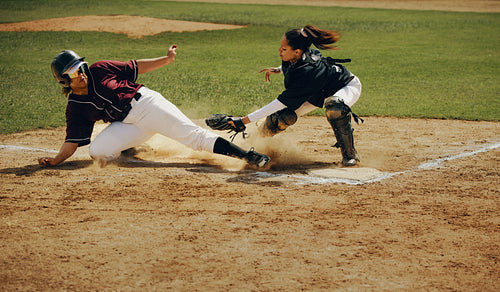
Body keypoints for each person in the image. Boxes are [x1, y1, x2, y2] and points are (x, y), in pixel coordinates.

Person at [38, 46, 270, 168]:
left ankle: (249, 156)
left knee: (195, 138)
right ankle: (132, 148)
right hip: (130, 124)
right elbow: (72, 142)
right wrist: (56, 160)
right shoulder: (76, 107)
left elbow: (136, 66)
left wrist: (166, 59)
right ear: (64, 81)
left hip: (147, 105)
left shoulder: (99, 69)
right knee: (97, 152)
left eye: (81, 67)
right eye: (73, 72)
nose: (81, 74)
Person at [232, 25, 363, 166]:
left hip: (345, 86)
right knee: (283, 118)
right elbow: (294, 65)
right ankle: (252, 141)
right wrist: (279, 69)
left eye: (284, 49)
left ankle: (350, 155)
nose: (279, 51)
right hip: (317, 91)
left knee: (335, 108)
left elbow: (278, 103)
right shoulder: (295, 57)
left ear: (297, 52)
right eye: (281, 47)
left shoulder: (308, 73)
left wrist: (244, 120)